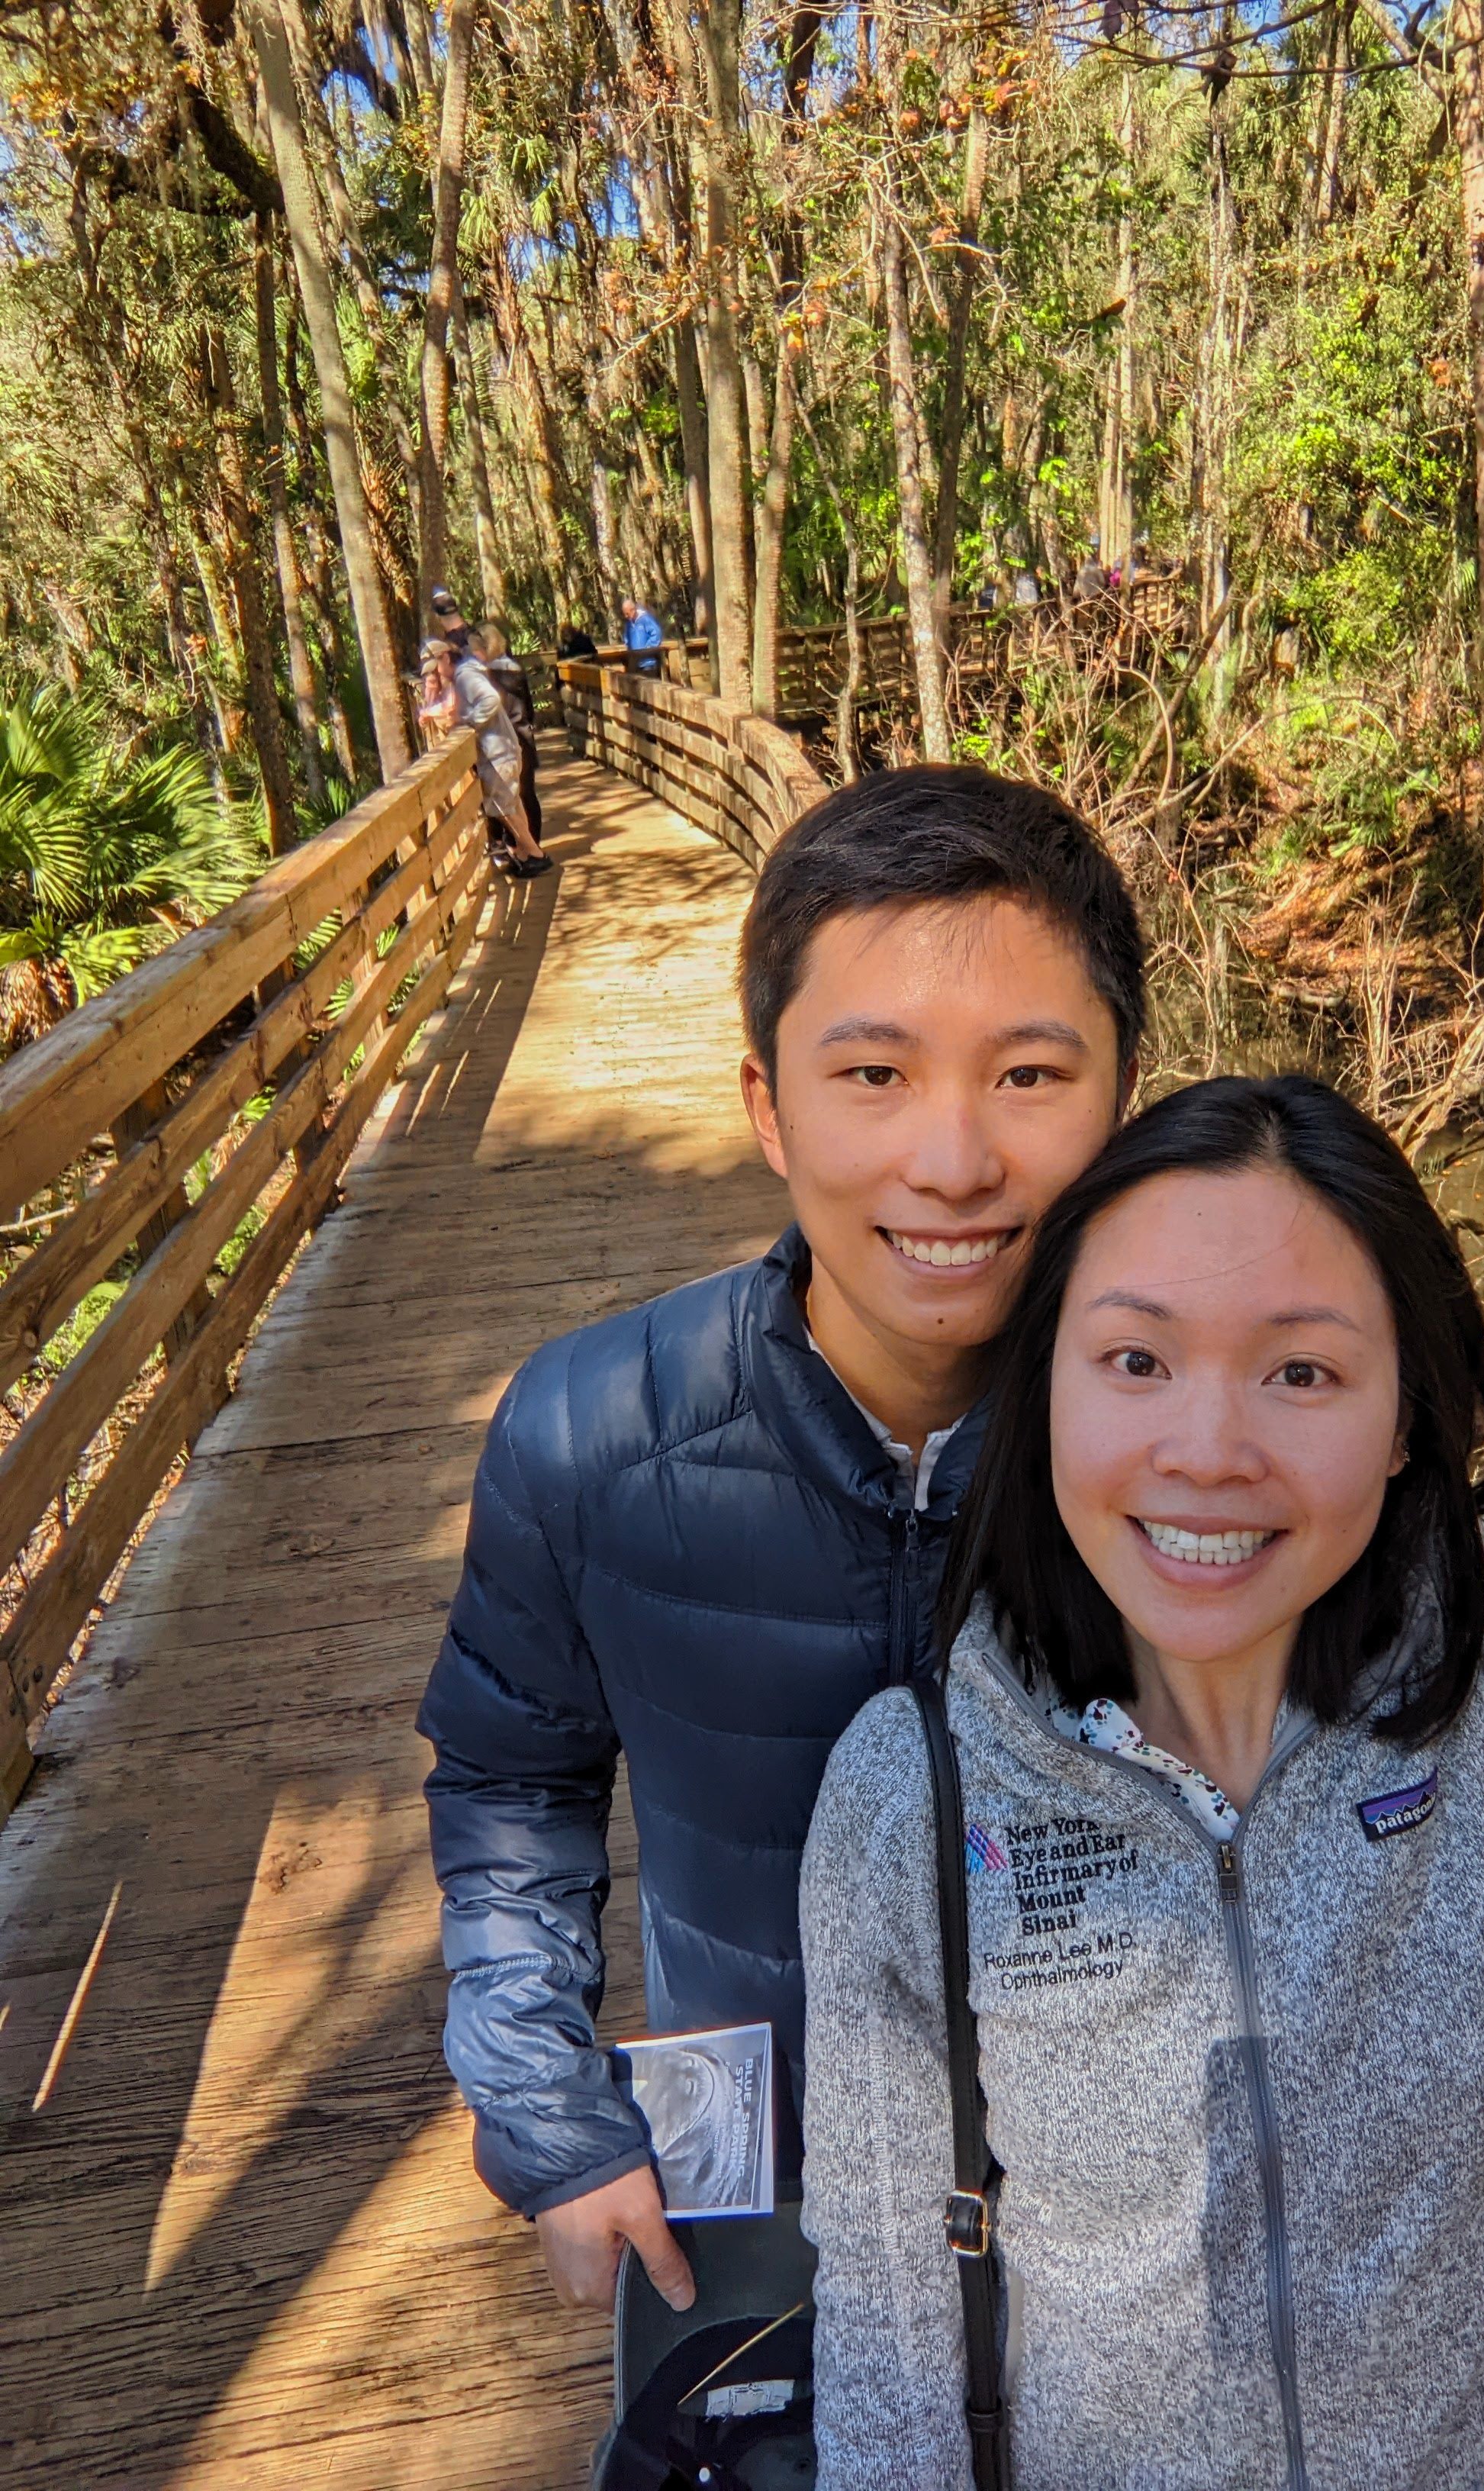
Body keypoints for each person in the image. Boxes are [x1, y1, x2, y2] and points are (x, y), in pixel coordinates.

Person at [800, 1072, 1484, 2489]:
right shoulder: (915, 1792)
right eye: (1134, 1360)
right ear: (1043, 1380)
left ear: (1408, 1417)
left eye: (1300, 1371)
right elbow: (885, 2336)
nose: (1205, 1450)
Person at [420, 766, 1145, 2323]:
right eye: (873, 1075)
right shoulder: (589, 1434)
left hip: (1124, 2225)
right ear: (767, 1106)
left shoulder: (1202, 1465)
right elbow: (509, 1779)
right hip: (761, 2205)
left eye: (1030, 1075)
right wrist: (554, 2123)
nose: (952, 1163)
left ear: (1125, 1100)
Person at [417, 638, 552, 879]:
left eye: (435, 669)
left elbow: (490, 700)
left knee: (503, 807)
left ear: (445, 657)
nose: (434, 676)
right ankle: (526, 854)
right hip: (501, 749)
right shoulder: (464, 676)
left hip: (497, 750)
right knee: (510, 803)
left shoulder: (465, 677)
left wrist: (471, 723)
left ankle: (536, 855)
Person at [469, 619, 545, 854]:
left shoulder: (489, 676)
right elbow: (529, 710)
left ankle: (519, 848)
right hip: (523, 736)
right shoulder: (516, 669)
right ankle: (532, 846)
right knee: (527, 794)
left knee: (507, 799)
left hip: (503, 742)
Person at [620, 595, 665, 675]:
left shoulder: (645, 619)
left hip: (649, 662)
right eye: (625, 614)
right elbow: (627, 639)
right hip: (636, 663)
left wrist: (648, 648)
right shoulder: (629, 624)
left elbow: (656, 634)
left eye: (627, 614)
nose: (626, 616)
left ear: (633, 610)